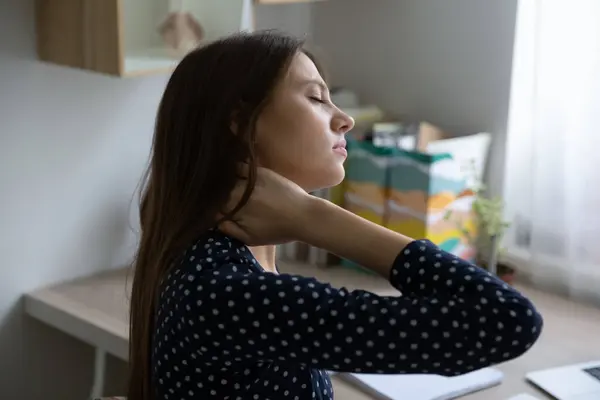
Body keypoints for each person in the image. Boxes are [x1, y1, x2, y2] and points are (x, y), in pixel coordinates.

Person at [127, 30, 543, 400]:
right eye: (315, 98)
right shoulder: (226, 291)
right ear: (241, 124)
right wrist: (315, 217)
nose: (344, 120)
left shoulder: (215, 260)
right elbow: (507, 319)